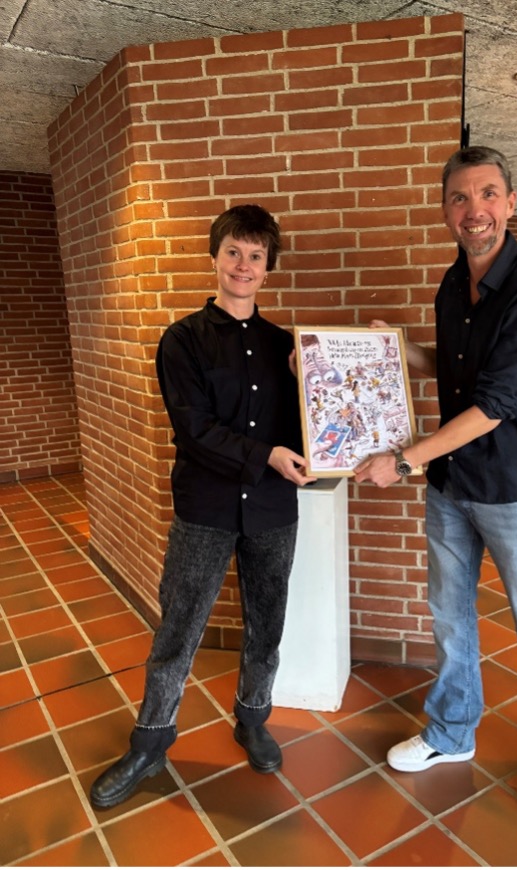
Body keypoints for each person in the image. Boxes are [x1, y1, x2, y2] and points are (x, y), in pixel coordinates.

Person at [354, 146, 517, 826]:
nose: (473, 209)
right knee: (450, 619)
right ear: (445, 211)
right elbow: (453, 367)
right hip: (452, 483)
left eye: (486, 194)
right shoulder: (452, 284)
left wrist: (403, 461)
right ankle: (452, 732)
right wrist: (395, 350)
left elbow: (494, 402)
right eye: (459, 197)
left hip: (512, 490)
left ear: (509, 203)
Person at [90, 204, 315, 809]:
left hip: (272, 511)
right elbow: (194, 431)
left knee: (267, 622)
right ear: (215, 257)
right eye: (233, 252)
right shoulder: (182, 340)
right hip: (206, 509)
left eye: (256, 256)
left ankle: (253, 718)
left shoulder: (288, 348)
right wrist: (267, 455)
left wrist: (314, 391)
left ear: (268, 268)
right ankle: (151, 741)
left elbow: (310, 430)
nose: (244, 265)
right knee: (179, 627)